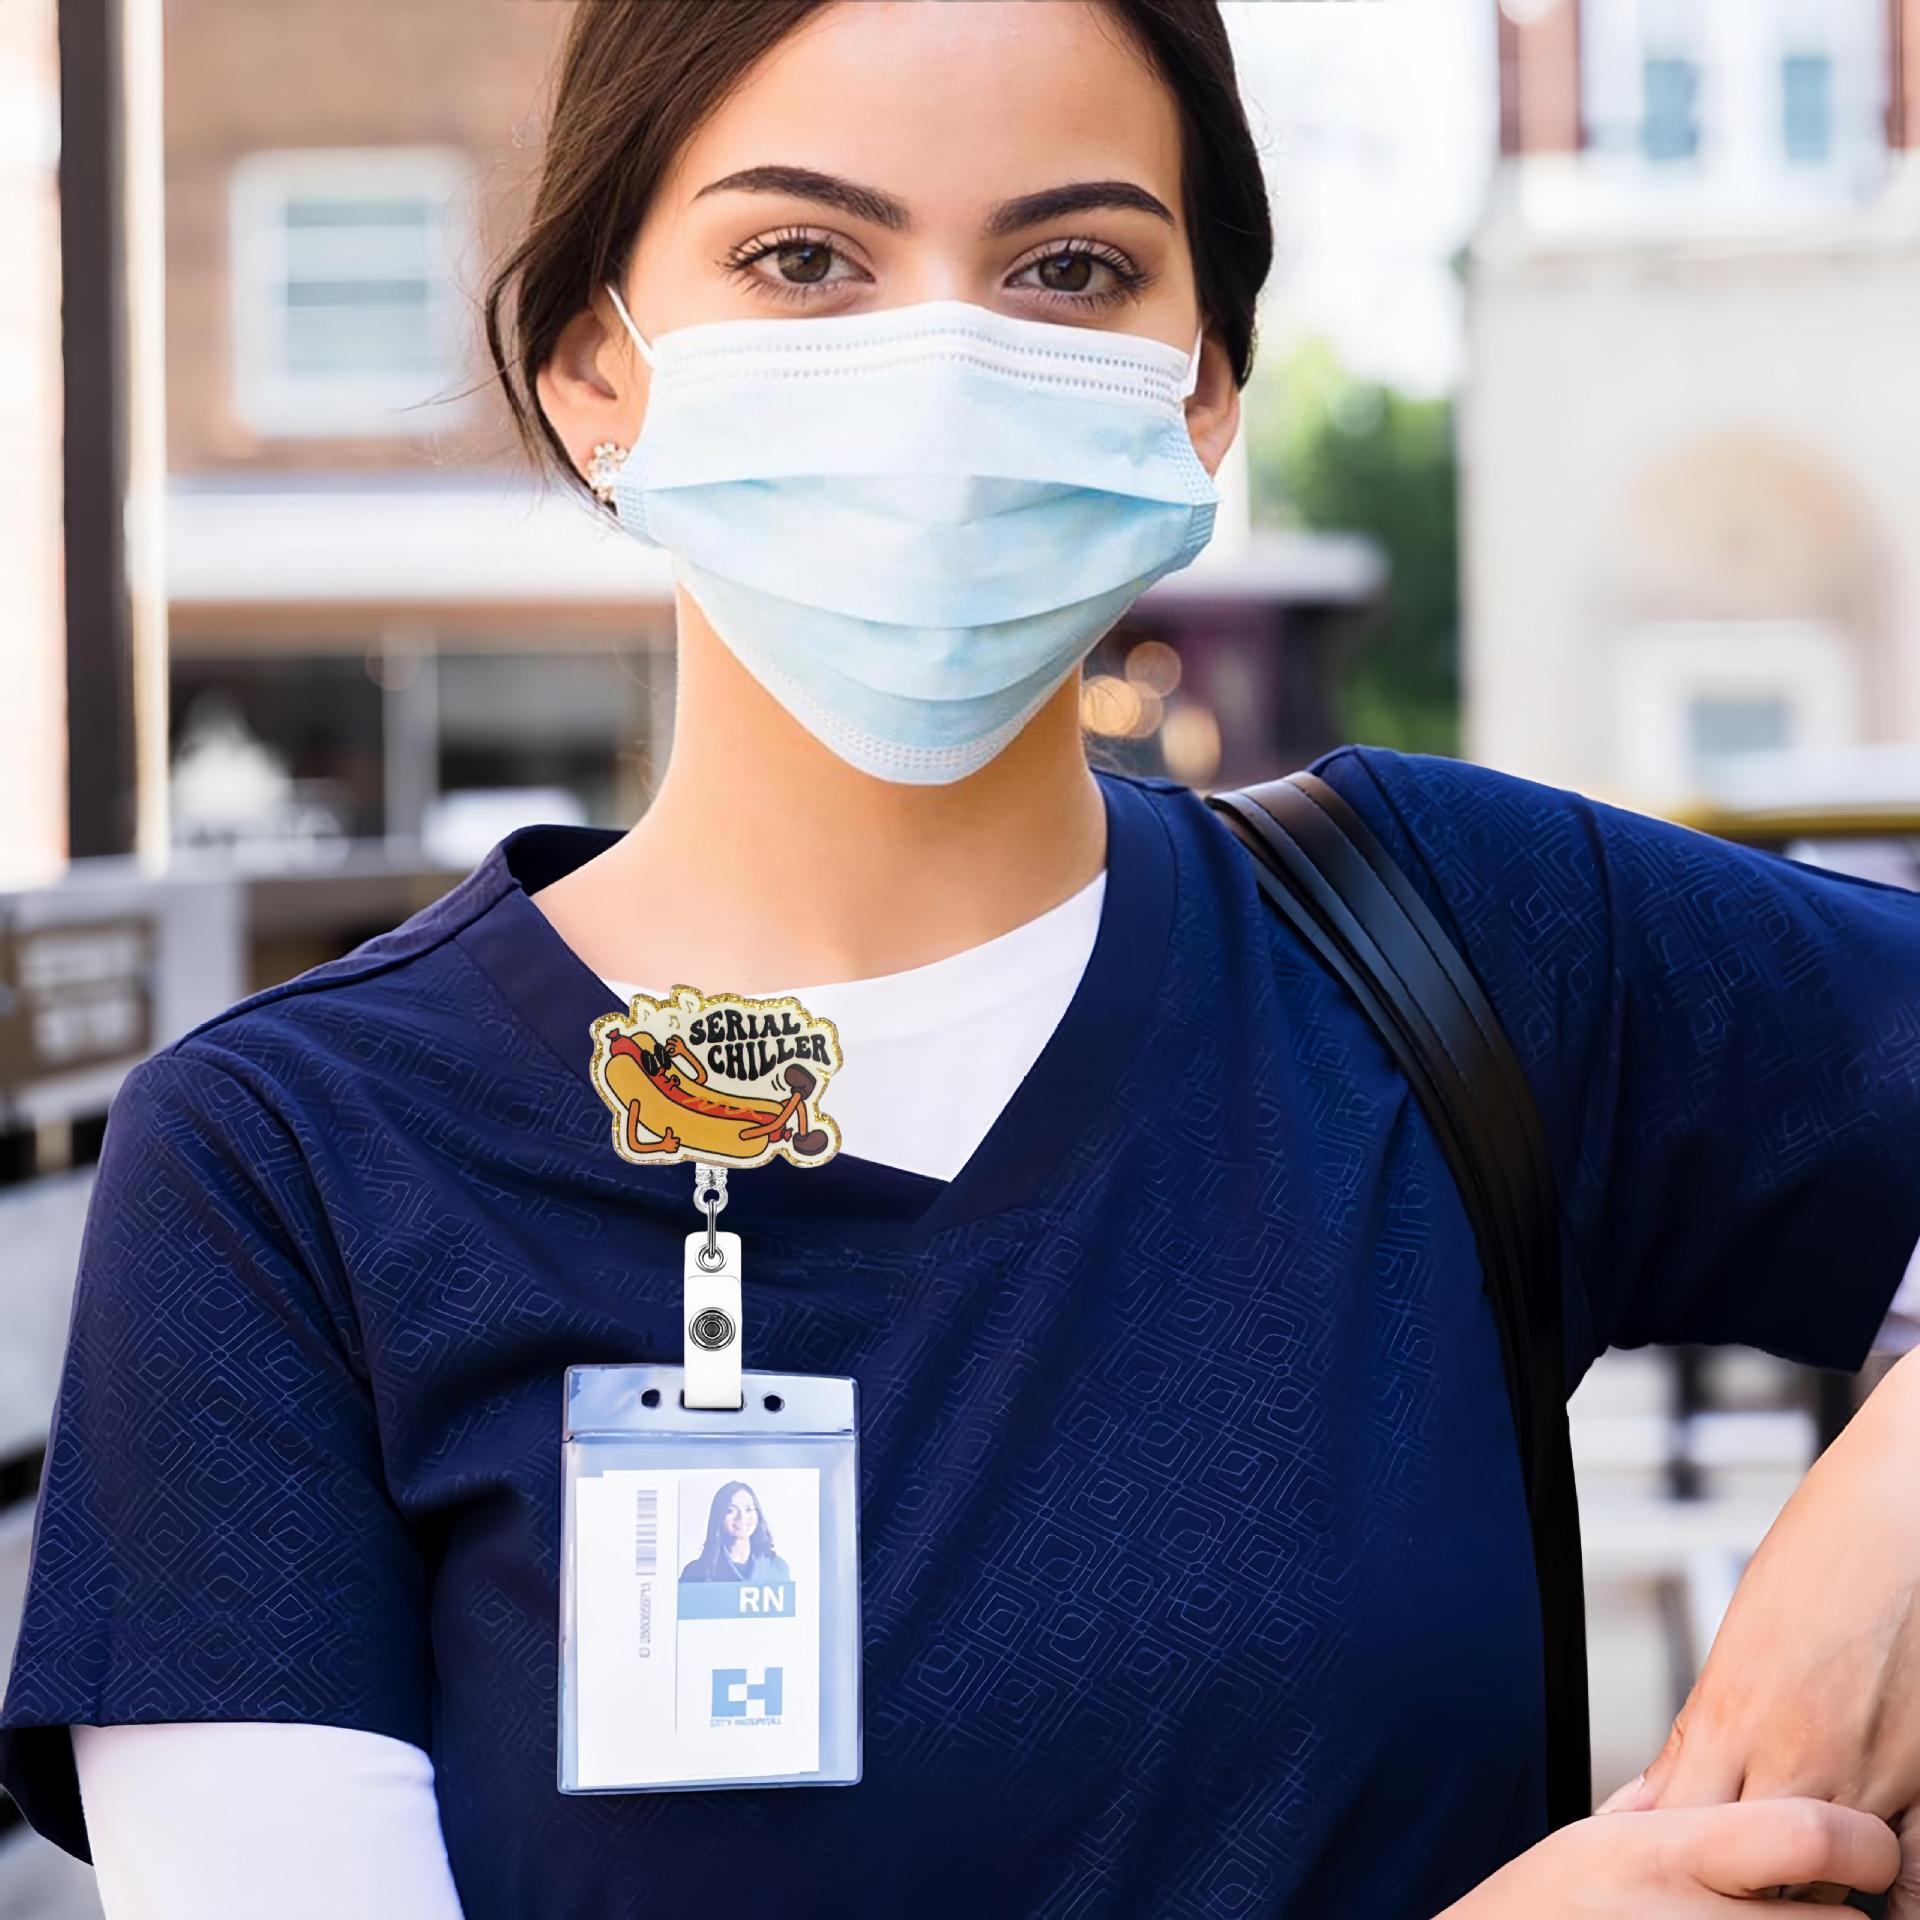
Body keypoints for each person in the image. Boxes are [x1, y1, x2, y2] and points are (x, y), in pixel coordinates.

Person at [3, 3, 1919, 1916]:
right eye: (804, 258)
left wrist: (1876, 1541)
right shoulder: (286, 1176)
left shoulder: (1457, 944)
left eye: (1070, 267)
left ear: (1204, 389)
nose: (937, 367)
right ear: (597, 371)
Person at [680, 1482, 793, 1586]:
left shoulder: (777, 1568)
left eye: (749, 1509)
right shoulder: (695, 1572)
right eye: (731, 1510)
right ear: (718, 1516)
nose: (742, 1517)